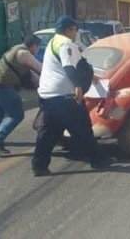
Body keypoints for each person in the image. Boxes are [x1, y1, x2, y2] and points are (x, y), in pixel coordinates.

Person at [32, 15, 111, 176]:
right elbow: (69, 67)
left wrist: (91, 76)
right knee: (83, 129)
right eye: (75, 30)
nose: (76, 33)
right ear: (69, 30)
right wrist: (77, 86)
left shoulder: (53, 42)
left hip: (48, 96)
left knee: (48, 133)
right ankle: (98, 160)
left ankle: (39, 166)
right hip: (65, 97)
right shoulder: (65, 43)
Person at [0, 35, 43, 158]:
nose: (38, 50)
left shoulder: (15, 49)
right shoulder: (24, 53)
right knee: (17, 115)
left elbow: (33, 76)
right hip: (2, 87)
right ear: (34, 46)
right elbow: (40, 68)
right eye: (38, 47)